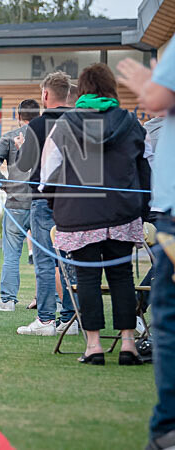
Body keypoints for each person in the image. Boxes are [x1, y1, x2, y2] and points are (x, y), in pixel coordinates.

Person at [41, 63, 149, 367]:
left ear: (82, 90)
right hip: (122, 213)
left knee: (87, 278)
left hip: (78, 214)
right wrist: (142, 209)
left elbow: (47, 176)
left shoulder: (64, 125)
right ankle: (128, 343)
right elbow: (146, 167)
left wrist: (56, 205)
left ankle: (94, 346)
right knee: (122, 276)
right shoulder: (131, 123)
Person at [117, 48, 175, 450]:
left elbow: (157, 98)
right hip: (145, 213)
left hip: (167, 212)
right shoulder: (137, 130)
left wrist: (144, 81)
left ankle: (168, 429)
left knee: (167, 315)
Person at [13, 72, 77, 335]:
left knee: (44, 259)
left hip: (43, 200)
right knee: (69, 259)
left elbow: (24, 165)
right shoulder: (80, 122)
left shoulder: (38, 125)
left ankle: (46, 319)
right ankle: (71, 318)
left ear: (46, 95)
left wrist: (20, 147)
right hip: (75, 201)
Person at [0, 99, 39, 311]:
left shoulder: (9, 137)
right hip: (40, 202)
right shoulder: (46, 138)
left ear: (18, 116)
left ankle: (7, 300)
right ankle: (48, 299)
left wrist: (4, 184)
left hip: (16, 201)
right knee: (45, 258)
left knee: (11, 255)